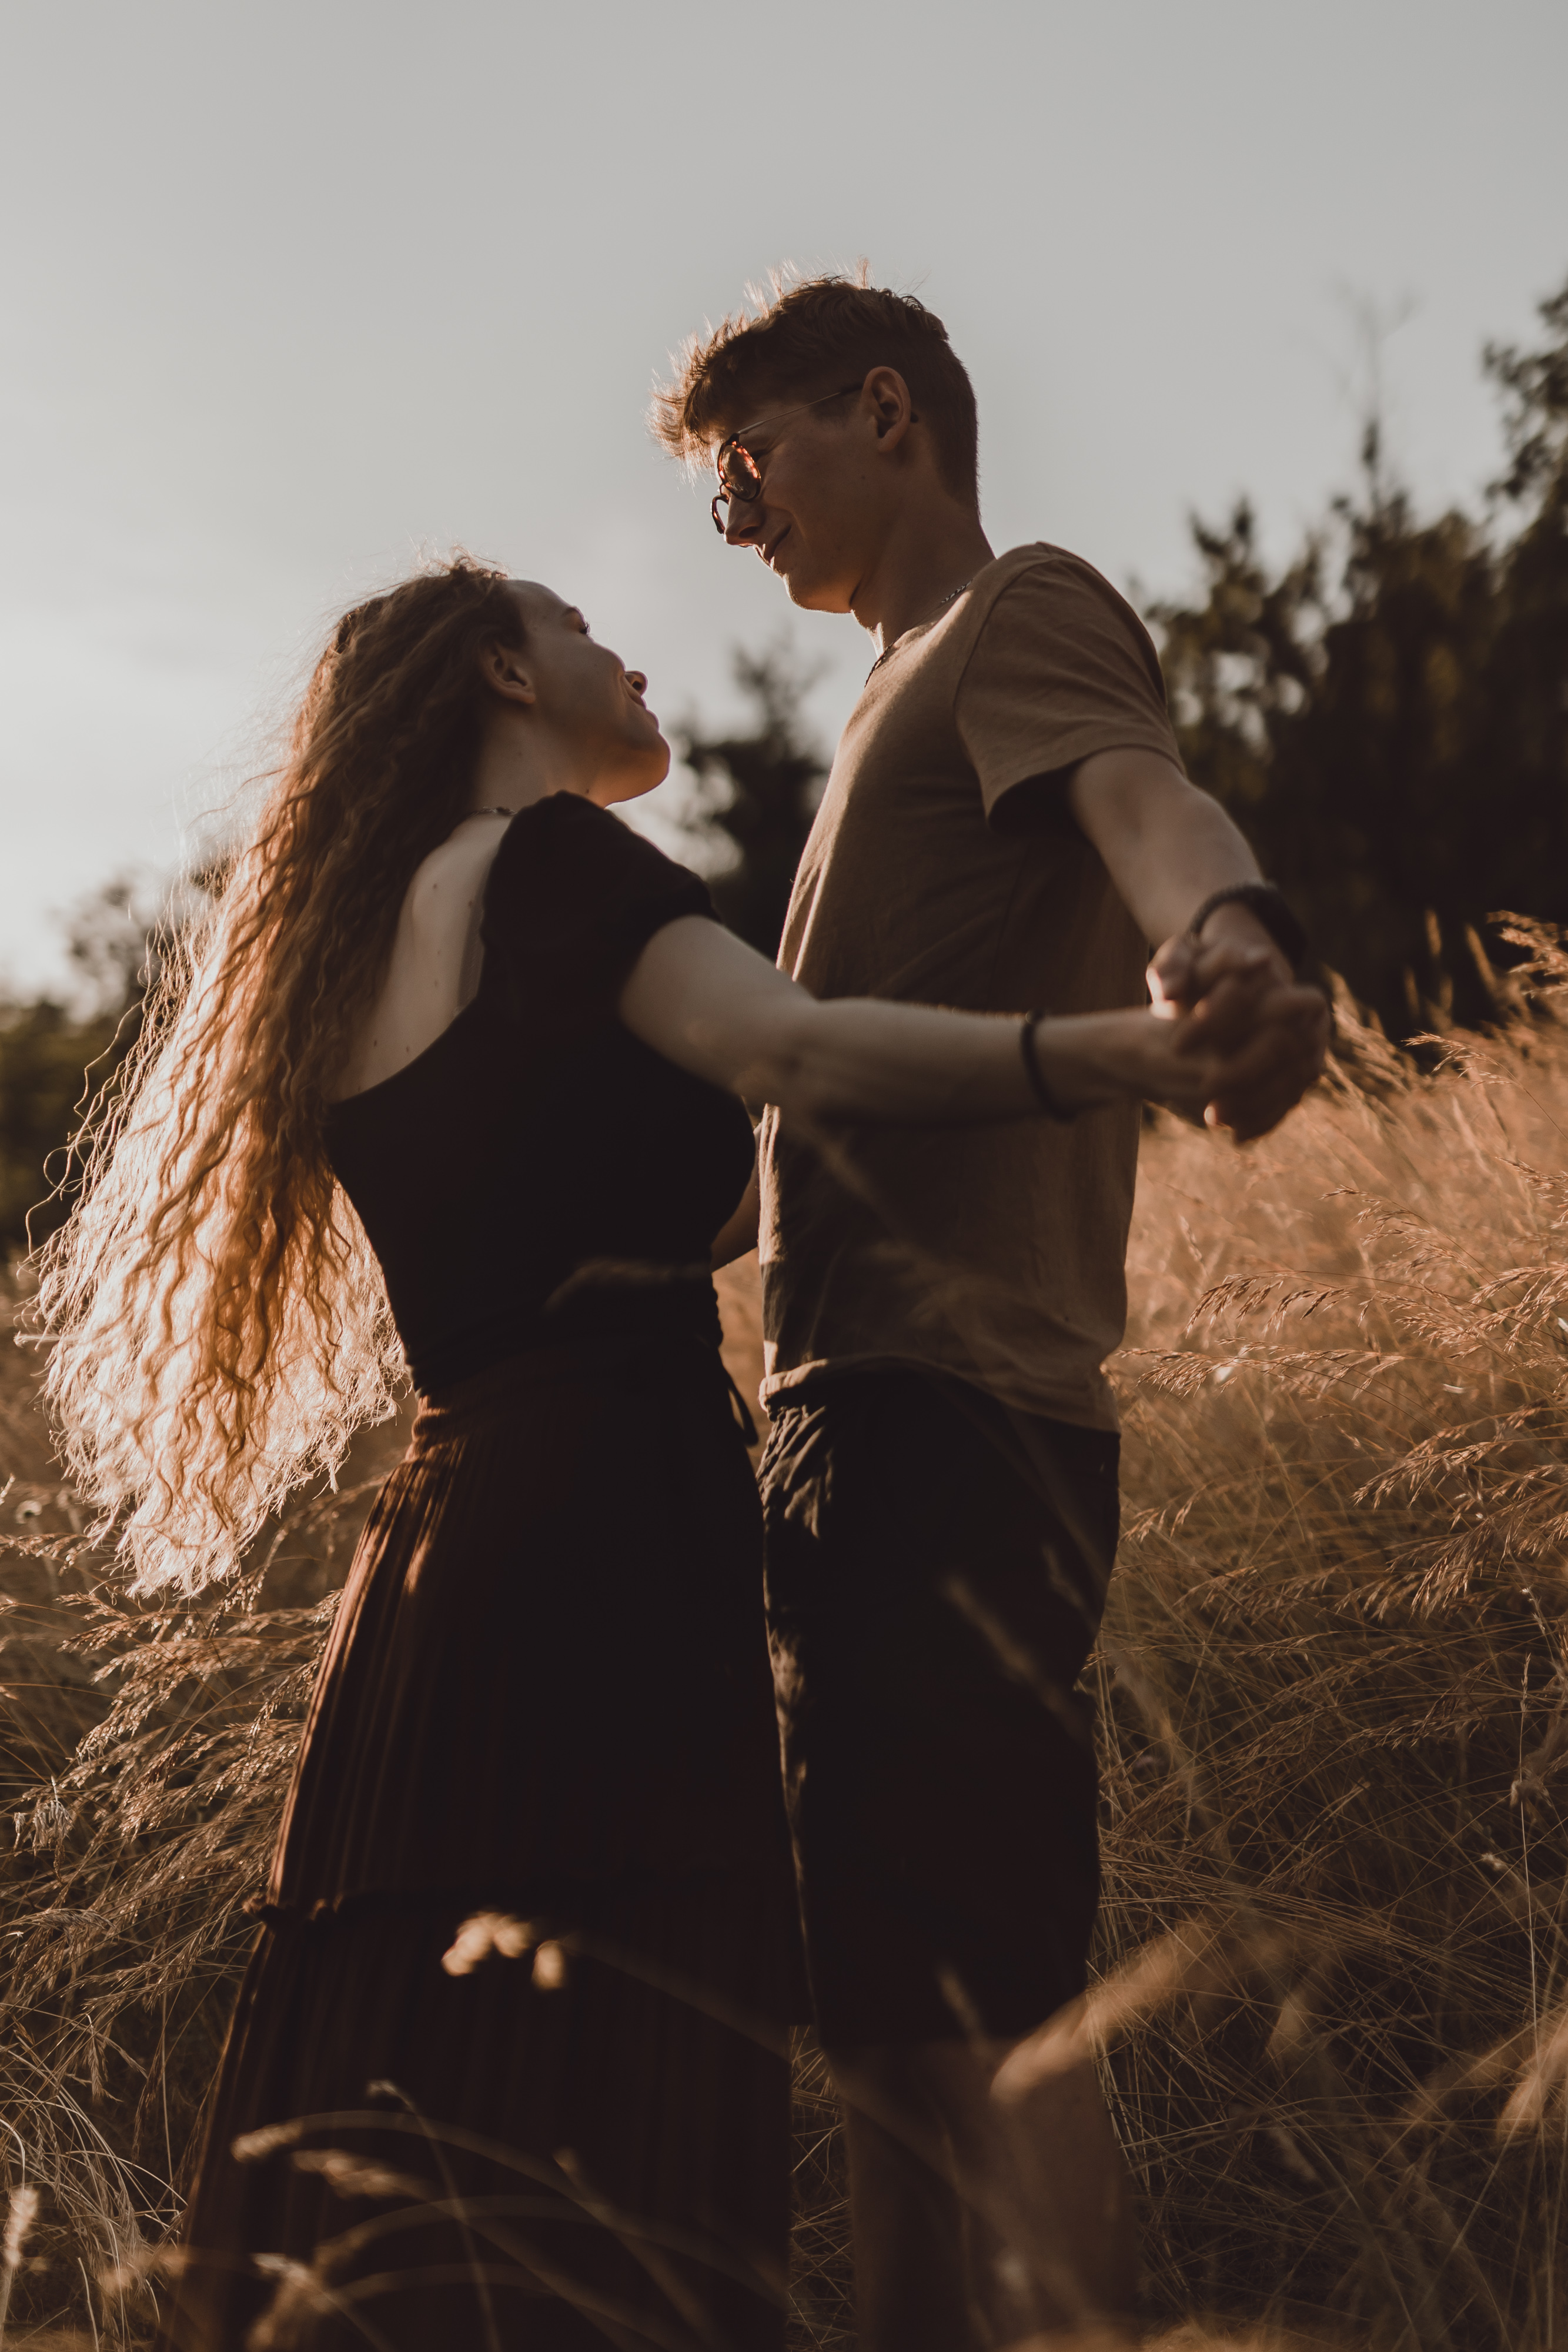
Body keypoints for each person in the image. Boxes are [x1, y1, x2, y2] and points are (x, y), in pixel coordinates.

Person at [38, 558, 1292, 2350]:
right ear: (497, 670)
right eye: (575, 628)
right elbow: (788, 1048)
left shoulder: (355, 935)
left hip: (437, 1551)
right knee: (602, 2087)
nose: (624, 654)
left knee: (420, 2086)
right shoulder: (559, 867)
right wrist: (1124, 1051)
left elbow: (611, 1201)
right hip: (611, 1526)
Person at [653, 272, 1332, 2350]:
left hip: (962, 1413)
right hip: (852, 1415)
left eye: (746, 464)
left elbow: (1152, 806)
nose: (733, 519)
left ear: (886, 410)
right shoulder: (884, 693)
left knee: (992, 2011)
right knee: (882, 2019)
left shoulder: (1017, 610)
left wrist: (1221, 942)